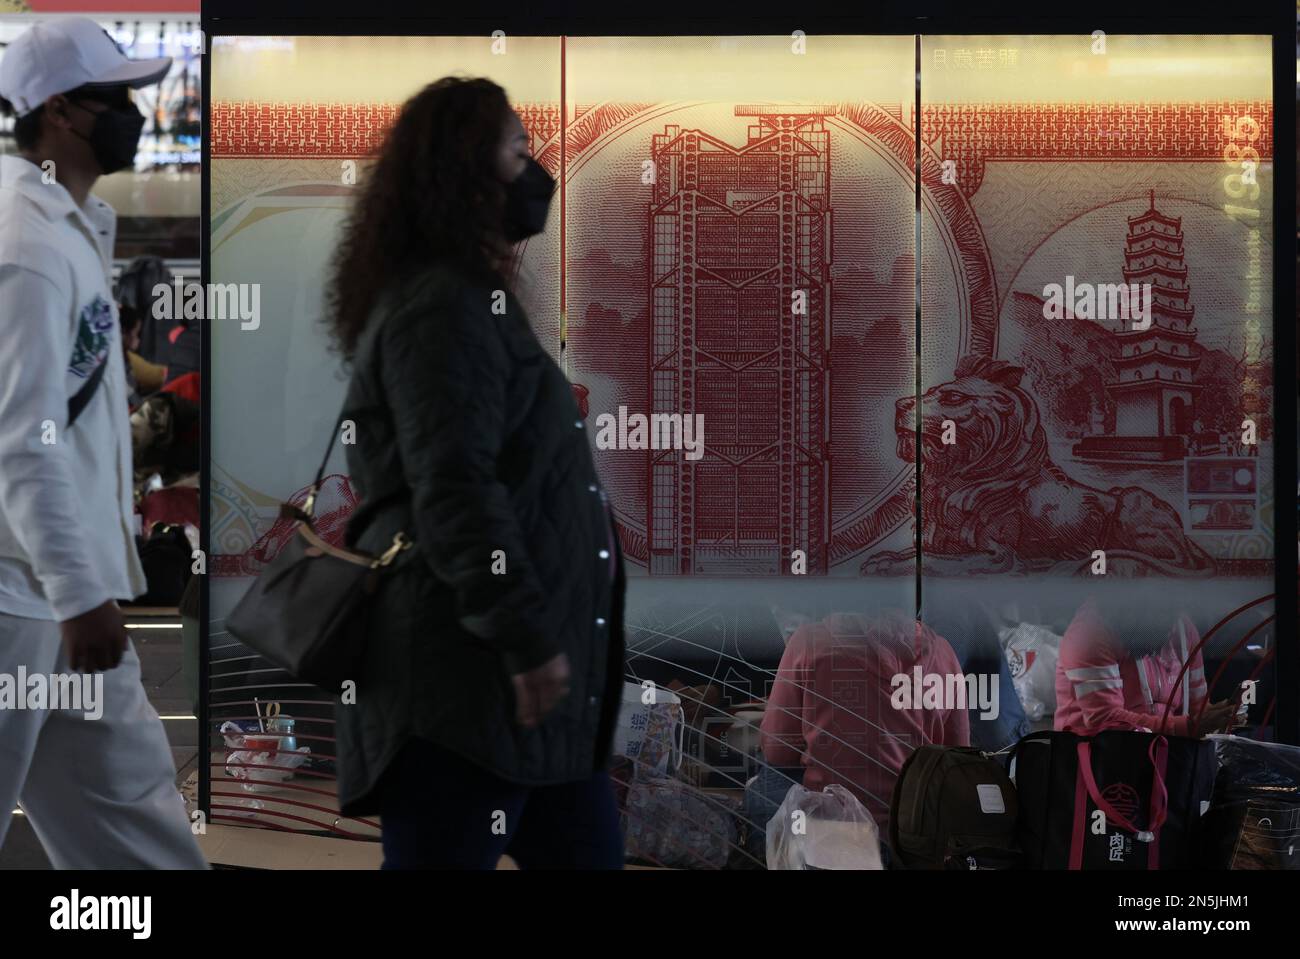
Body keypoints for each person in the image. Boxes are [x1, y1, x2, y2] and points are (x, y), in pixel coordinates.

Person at [324, 77, 626, 869]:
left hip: (519, 698)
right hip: (464, 687)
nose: (535, 173)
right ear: (467, 170)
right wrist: (525, 637)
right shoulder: (441, 308)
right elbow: (454, 489)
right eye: (518, 152)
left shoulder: (462, 298)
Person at [0, 17, 206, 868]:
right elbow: (24, 438)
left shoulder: (70, 225)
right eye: (115, 96)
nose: (136, 110)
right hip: (22, 599)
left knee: (138, 831)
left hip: (53, 596)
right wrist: (81, 594)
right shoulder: (27, 244)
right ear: (59, 113)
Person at [749, 609, 970, 860]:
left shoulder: (810, 641)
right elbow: (956, 753)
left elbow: (778, 750)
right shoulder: (943, 651)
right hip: (914, 834)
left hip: (831, 833)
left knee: (767, 778)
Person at [1054, 598, 1237, 737]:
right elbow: (1106, 722)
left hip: (1162, 755)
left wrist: (1218, 718)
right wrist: (1189, 726)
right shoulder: (1089, 632)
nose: (1169, 625)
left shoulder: (1182, 628)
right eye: (1160, 612)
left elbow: (1197, 707)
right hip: (1096, 761)